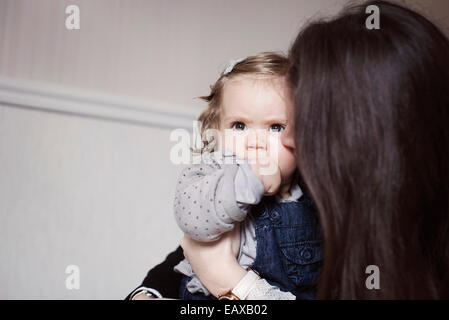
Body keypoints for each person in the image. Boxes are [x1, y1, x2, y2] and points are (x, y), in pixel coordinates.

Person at [128, 0, 449, 300]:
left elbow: (217, 266)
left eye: (283, 125)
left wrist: (232, 281)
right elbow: (184, 253)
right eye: (239, 125)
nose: (280, 141)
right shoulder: (226, 178)